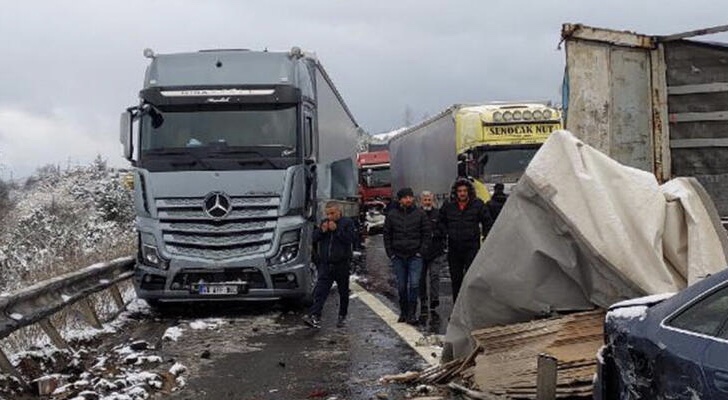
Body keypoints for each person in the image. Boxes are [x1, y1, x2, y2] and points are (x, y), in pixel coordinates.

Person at [303, 202, 358, 329]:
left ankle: (342, 316)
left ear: (339, 212)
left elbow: (351, 239)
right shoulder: (324, 222)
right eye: (327, 214)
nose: (330, 216)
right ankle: (314, 315)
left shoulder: (347, 222)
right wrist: (322, 231)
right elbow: (314, 238)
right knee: (320, 291)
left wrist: (337, 230)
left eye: (332, 213)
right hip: (326, 264)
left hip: (342, 264)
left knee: (343, 292)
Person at [384, 187, 432, 324]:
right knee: (401, 286)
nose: (408, 200)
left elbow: (426, 234)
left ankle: (412, 312)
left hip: (415, 255)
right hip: (398, 256)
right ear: (400, 200)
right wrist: (391, 253)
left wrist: (421, 251)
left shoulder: (420, 214)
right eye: (405, 197)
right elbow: (387, 234)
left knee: (415, 284)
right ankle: (404, 311)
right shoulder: (392, 215)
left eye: (410, 197)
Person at [438, 178, 490, 302]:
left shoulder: (477, 204)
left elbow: (487, 221)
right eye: (460, 191)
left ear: (469, 192)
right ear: (456, 192)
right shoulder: (449, 206)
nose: (462, 193)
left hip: (471, 247)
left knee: (471, 278)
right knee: (456, 279)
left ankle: (472, 306)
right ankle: (457, 307)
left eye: (465, 191)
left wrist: (485, 235)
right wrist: (446, 233)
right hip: (454, 248)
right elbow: (440, 221)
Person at [418, 190, 444, 317]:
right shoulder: (417, 214)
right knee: (421, 278)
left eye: (429, 200)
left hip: (435, 250)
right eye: (425, 200)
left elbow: (443, 229)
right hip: (421, 251)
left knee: (434, 275)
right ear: (421, 201)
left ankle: (434, 299)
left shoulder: (438, 214)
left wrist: (435, 234)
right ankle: (423, 299)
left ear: (432, 201)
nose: (427, 202)